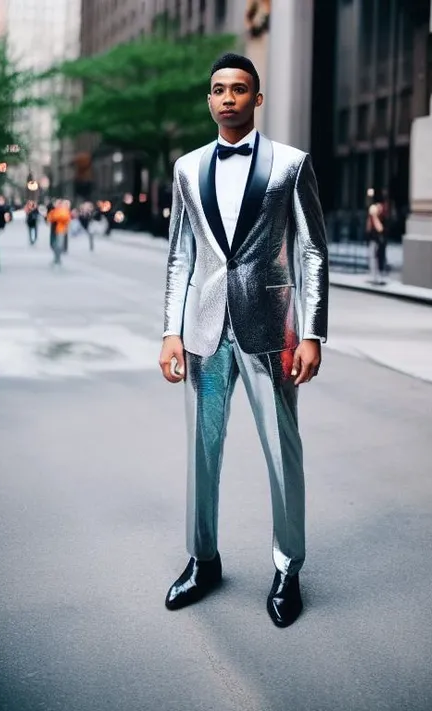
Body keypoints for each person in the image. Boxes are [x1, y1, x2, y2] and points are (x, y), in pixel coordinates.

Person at [159, 54, 329, 628]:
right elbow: (182, 255)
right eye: (217, 90)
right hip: (206, 332)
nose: (227, 98)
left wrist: (312, 332)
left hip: (271, 332)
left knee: (283, 452)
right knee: (201, 455)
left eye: (238, 90)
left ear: (257, 99)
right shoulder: (186, 168)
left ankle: (288, 567)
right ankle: (203, 560)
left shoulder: (291, 164)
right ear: (209, 100)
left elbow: (311, 251)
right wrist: (170, 331)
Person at [366, 196, 388, 284]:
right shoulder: (372, 217)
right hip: (373, 240)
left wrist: (374, 217)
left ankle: (379, 276)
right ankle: (374, 276)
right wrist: (370, 217)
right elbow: (368, 229)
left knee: (379, 258)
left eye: (380, 206)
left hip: (380, 241)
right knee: (372, 258)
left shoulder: (383, 217)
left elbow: (380, 229)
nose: (378, 208)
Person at [47, 199, 71, 265]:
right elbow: (49, 218)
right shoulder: (54, 211)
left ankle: (58, 258)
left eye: (59, 203)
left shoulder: (63, 211)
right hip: (54, 230)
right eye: (56, 203)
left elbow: (65, 218)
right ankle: (56, 258)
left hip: (61, 230)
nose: (57, 205)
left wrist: (56, 217)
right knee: (54, 245)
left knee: (59, 245)